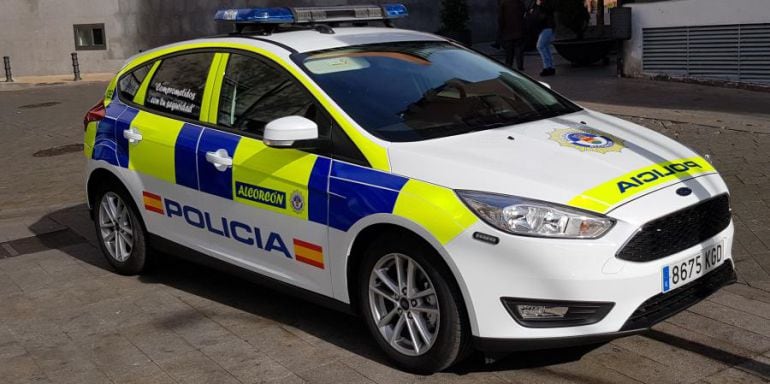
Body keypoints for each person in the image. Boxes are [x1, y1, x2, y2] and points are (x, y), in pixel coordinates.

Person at [497, 0, 526, 71]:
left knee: (509, 51)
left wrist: (501, 29)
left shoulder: (504, 3)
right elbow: (524, 15)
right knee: (519, 49)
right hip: (519, 30)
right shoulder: (520, 3)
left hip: (508, 31)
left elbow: (501, 18)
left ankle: (509, 66)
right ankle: (520, 66)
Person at [534, 0, 556, 76]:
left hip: (546, 26)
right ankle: (551, 67)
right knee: (546, 47)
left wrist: (539, 6)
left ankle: (547, 67)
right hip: (545, 26)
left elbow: (547, 12)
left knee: (540, 46)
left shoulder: (545, 3)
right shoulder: (540, 3)